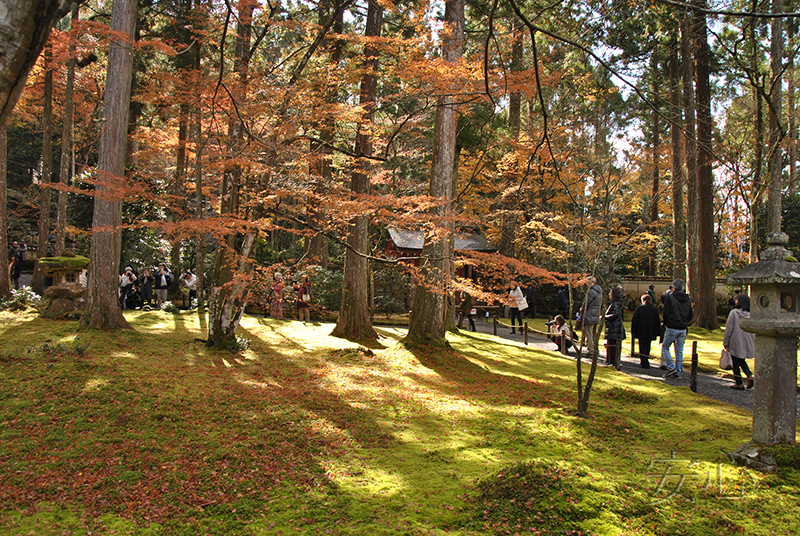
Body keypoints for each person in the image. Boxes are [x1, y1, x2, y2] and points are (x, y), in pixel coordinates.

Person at [661, 279, 693, 380]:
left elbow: (666, 312)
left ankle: (671, 367)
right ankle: (678, 370)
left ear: (673, 288)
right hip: (683, 327)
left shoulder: (670, 297)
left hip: (672, 326)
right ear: (683, 288)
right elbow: (690, 314)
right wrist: (685, 321)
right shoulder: (688, 299)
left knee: (665, 347)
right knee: (679, 350)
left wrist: (666, 323)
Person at [723, 294, 755, 390]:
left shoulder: (734, 313)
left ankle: (739, 382)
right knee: (740, 360)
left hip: (735, 340)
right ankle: (748, 375)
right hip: (748, 340)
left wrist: (726, 342)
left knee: (735, 361)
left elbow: (729, 328)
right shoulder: (752, 315)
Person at [630, 294, 661, 369]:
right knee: (647, 345)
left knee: (642, 346)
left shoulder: (639, 309)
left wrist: (633, 331)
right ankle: (645, 359)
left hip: (641, 331)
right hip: (651, 331)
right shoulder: (654, 310)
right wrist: (658, 332)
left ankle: (644, 361)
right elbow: (657, 322)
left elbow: (634, 321)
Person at [604, 286, 626, 367]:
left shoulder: (615, 304)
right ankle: (611, 360)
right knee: (612, 345)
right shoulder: (616, 304)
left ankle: (612, 361)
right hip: (615, 327)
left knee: (612, 345)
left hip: (614, 327)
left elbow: (615, 315)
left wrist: (605, 317)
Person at [583, 277, 603, 358]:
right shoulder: (599, 292)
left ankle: (590, 350)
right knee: (594, 333)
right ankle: (595, 349)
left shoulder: (591, 292)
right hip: (596, 314)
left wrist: (583, 308)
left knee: (589, 333)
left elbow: (587, 303)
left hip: (590, 314)